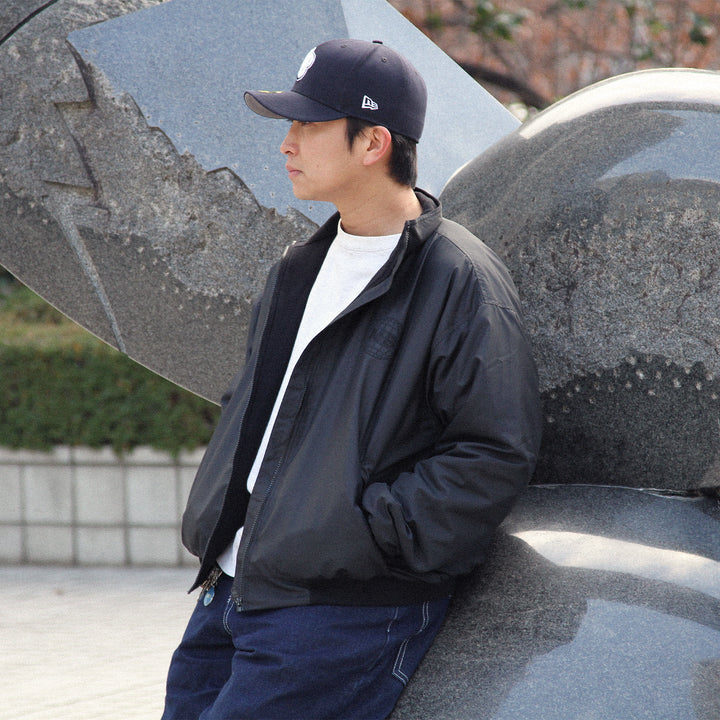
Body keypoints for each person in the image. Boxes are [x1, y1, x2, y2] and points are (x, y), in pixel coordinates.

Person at [162, 38, 542, 720]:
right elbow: (254, 407)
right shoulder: (297, 268)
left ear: (373, 142)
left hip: (340, 615)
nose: (287, 143)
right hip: (231, 590)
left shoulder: (457, 278)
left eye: (309, 125)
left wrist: (363, 535)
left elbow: (492, 451)